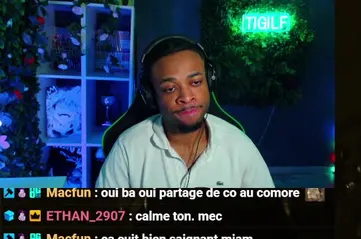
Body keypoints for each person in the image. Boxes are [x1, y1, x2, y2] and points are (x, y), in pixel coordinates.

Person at [96, 36, 274, 189]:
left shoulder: (239, 146)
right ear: (151, 95)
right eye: (170, 88)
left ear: (209, 82)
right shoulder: (128, 147)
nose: (186, 97)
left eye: (195, 82)